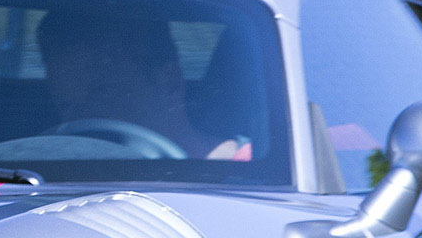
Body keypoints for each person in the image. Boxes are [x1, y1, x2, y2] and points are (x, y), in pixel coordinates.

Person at [17, 9, 253, 161]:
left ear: (169, 84)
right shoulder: (44, 186)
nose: (83, 119)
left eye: (102, 95)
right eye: (68, 106)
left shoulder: (251, 173)